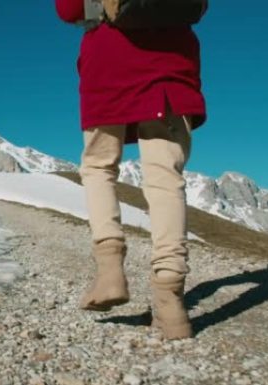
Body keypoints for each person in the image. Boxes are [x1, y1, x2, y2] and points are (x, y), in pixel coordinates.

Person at [55, 0, 207, 340]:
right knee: (166, 178)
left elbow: (68, 9)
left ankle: (110, 272)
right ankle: (171, 301)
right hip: (171, 65)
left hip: (109, 63)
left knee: (98, 167)